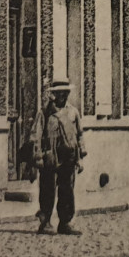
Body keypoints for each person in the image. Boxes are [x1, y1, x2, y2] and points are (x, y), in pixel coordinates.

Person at [29, 80, 85, 235]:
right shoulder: (45, 112)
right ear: (54, 94)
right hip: (50, 156)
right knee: (48, 189)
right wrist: (38, 156)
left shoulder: (73, 112)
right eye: (59, 92)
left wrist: (80, 158)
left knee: (67, 190)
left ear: (68, 94)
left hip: (68, 156)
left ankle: (65, 222)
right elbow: (36, 135)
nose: (62, 95)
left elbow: (79, 134)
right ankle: (45, 221)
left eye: (65, 92)